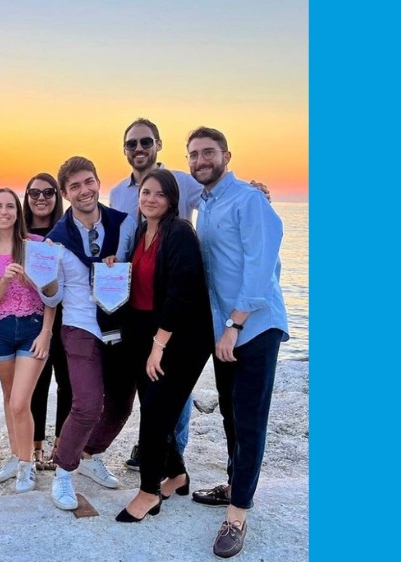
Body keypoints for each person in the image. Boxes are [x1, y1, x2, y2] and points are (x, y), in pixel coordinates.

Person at [109, 118, 270, 472]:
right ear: (125, 149)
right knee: (153, 390)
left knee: (173, 390)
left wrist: (253, 191)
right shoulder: (119, 192)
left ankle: (172, 451)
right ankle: (169, 461)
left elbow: (218, 194)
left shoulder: (184, 181)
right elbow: (125, 240)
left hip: (177, 304)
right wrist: (113, 263)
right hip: (142, 301)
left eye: (145, 142)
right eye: (132, 143)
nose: (139, 149)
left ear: (158, 144)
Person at [185, 127, 289, 558]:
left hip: (254, 328)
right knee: (230, 415)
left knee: (248, 421)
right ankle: (235, 484)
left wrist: (235, 324)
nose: (201, 160)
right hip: (225, 331)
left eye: (208, 152)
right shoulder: (205, 204)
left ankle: (237, 515)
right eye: (194, 155)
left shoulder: (248, 200)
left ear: (226, 155)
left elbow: (260, 267)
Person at [115, 169, 214, 523]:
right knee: (154, 407)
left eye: (159, 194)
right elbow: (141, 284)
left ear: (172, 200)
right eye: (145, 192)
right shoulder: (142, 232)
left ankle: (148, 491)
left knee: (156, 413)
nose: (150, 199)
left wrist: (158, 345)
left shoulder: (180, 232)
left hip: (181, 337)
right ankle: (177, 475)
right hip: (145, 331)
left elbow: (181, 293)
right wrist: (116, 266)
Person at [40, 156, 137, 511]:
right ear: (65, 194)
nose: (85, 190)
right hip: (80, 325)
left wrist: (120, 267)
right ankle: (64, 471)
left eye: (89, 182)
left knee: (122, 404)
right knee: (87, 404)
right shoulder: (56, 240)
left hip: (117, 325)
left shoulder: (123, 223)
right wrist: (45, 278)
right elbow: (53, 297)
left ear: (97, 182)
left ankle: (92, 453)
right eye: (75, 186)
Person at [0, 188, 58, 493]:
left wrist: (47, 332)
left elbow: (52, 294)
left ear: (18, 212)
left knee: (21, 401)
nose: (4, 212)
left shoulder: (35, 246)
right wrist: (6, 278)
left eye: (10, 206)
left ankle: (26, 464)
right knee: (10, 398)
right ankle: (15, 454)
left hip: (32, 328)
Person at [22, 174, 71, 469]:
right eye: (34, 192)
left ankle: (61, 445)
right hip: (29, 316)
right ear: (27, 196)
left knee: (66, 382)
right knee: (36, 383)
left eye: (48, 192)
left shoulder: (66, 231)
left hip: (64, 314)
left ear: (57, 196)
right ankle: (35, 444)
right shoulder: (20, 233)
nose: (41, 198)